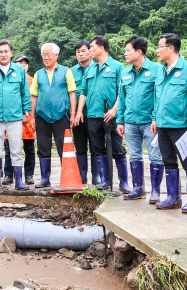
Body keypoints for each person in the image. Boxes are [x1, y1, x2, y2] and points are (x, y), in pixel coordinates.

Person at [151, 33, 187, 213]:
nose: (157, 50)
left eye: (159, 46)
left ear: (170, 48)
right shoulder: (160, 70)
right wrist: (155, 117)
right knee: (168, 161)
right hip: (163, 125)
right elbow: (157, 97)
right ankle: (173, 197)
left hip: (181, 124)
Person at [73, 36, 129, 193]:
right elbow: (83, 92)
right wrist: (78, 113)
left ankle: (123, 182)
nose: (90, 50)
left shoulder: (118, 67)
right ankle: (105, 180)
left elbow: (122, 91)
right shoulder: (90, 69)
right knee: (97, 148)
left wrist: (114, 110)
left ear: (102, 48)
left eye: (92, 47)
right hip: (92, 115)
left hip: (111, 115)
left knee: (117, 148)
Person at [0, 39, 32, 191]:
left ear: (11, 53)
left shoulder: (19, 70)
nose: (3, 54)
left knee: (16, 149)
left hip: (15, 117)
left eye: (6, 51)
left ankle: (19, 181)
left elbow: (25, 93)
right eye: (0, 52)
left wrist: (26, 112)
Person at [116, 35, 163, 202]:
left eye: (128, 51)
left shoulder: (157, 70)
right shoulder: (125, 72)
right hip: (129, 123)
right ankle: (138, 189)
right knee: (134, 156)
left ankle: (156, 192)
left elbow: (159, 97)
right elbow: (121, 98)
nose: (125, 54)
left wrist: (156, 118)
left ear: (139, 51)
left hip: (149, 123)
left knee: (155, 156)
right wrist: (120, 121)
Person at [30, 44, 77, 188]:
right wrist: (32, 117)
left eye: (49, 54)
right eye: (43, 54)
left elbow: (72, 93)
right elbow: (34, 96)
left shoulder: (66, 71)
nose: (46, 57)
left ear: (56, 55)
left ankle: (67, 177)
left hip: (61, 116)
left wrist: (73, 114)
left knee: (64, 147)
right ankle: (45, 178)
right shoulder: (38, 74)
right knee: (43, 147)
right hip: (42, 117)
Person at [2, 54, 36, 186]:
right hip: (11, 118)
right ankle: (8, 175)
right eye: (19, 63)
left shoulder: (33, 81)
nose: (23, 65)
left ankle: (28, 175)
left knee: (29, 149)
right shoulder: (8, 78)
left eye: (25, 63)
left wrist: (31, 116)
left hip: (27, 120)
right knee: (9, 149)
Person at [70, 41, 99, 185]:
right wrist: (73, 113)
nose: (80, 54)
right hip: (77, 116)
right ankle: (82, 177)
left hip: (93, 114)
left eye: (83, 51)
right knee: (80, 147)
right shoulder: (71, 71)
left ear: (90, 52)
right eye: (77, 52)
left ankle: (97, 177)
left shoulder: (97, 67)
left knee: (96, 146)